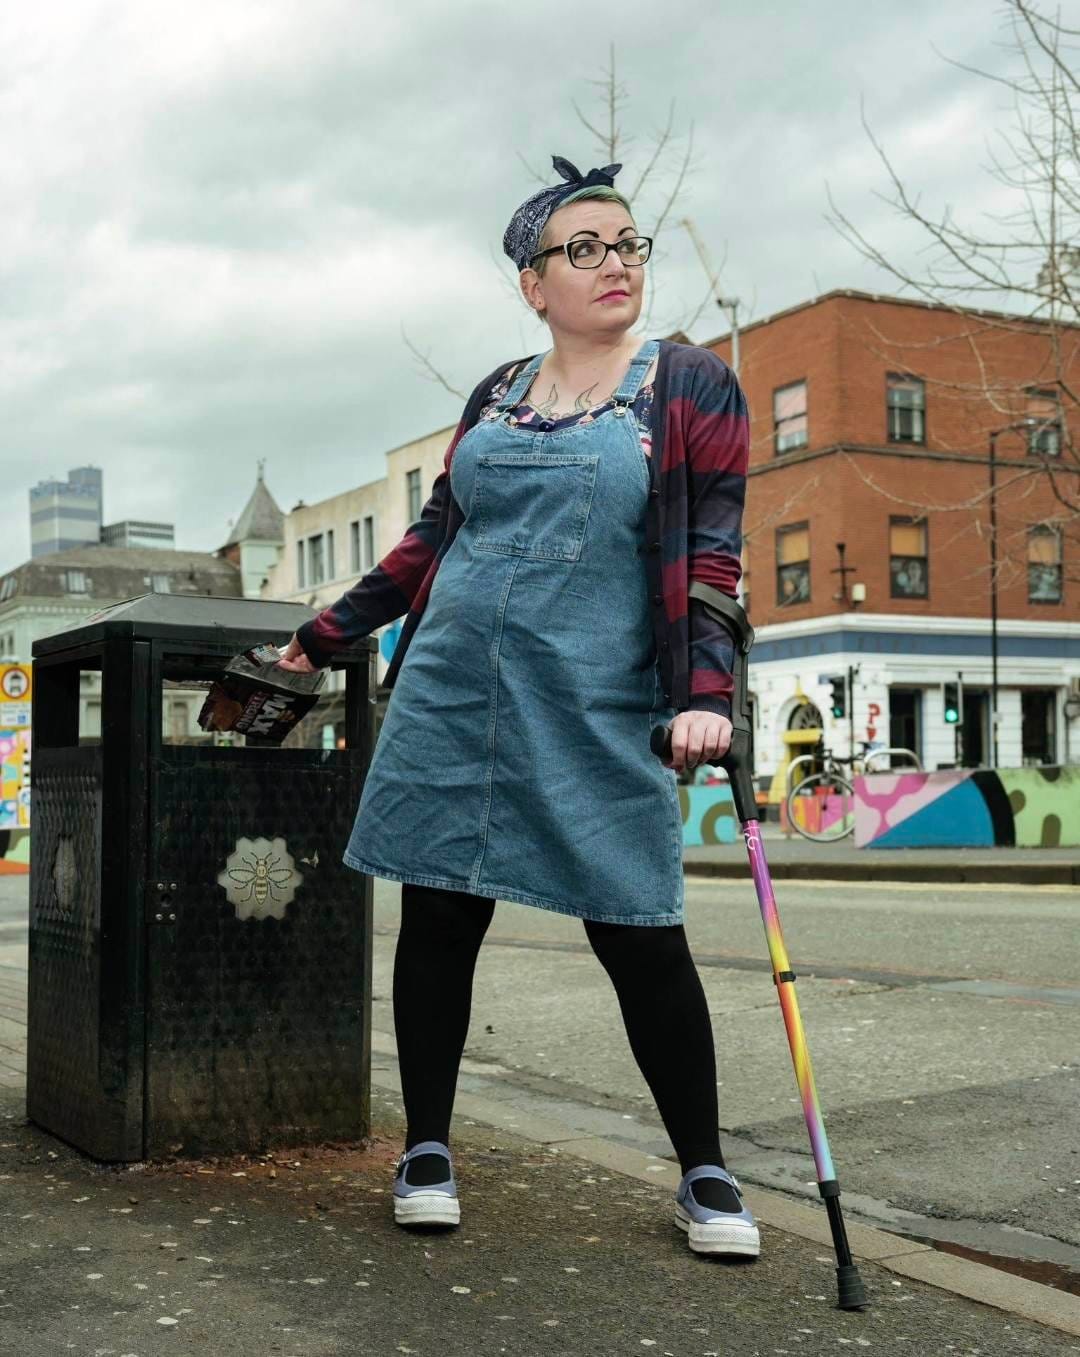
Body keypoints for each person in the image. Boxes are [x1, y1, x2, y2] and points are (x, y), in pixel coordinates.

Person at [277, 155, 757, 1257]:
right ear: (532, 284)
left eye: (627, 243)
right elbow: (433, 539)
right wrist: (320, 638)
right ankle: (429, 1146)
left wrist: (704, 696)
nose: (612, 264)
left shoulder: (685, 384)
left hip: (596, 700)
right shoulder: (494, 393)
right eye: (581, 249)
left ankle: (704, 1166)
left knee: (639, 926)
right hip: (453, 690)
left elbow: (713, 555)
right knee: (441, 914)